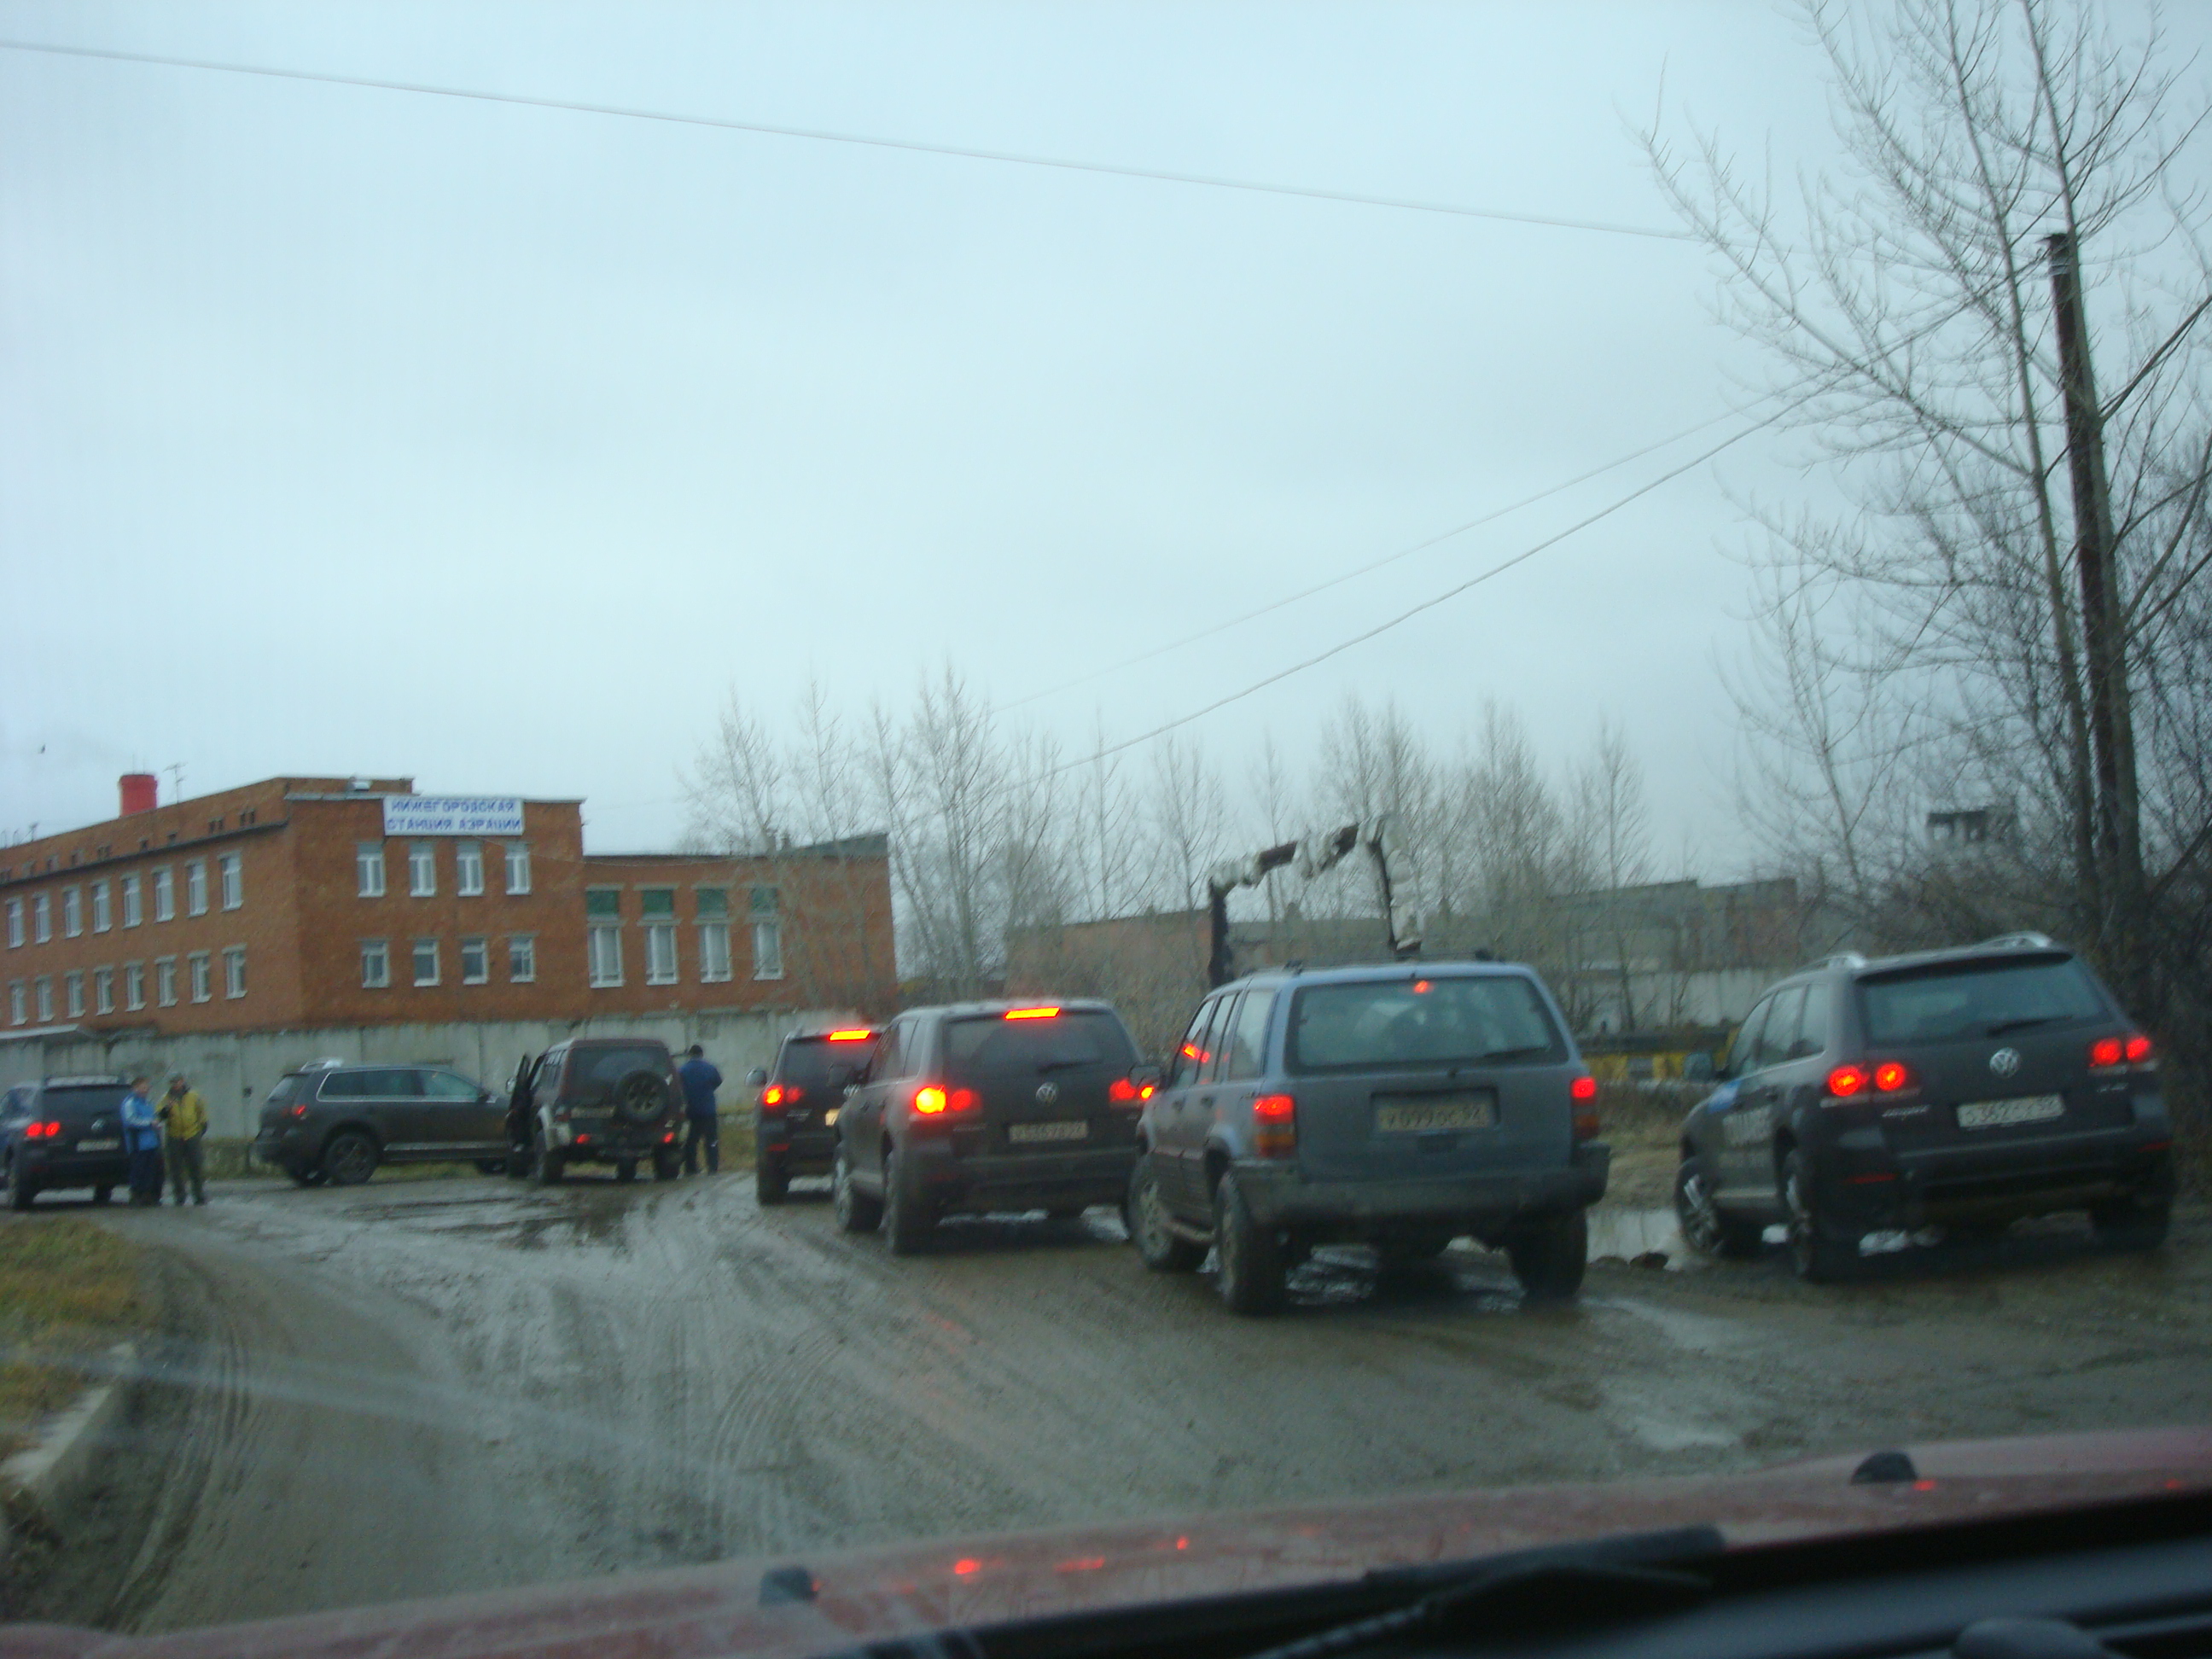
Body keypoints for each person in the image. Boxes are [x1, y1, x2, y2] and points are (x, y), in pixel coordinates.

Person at [159, 1074, 209, 1205]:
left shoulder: (194, 1096)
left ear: (182, 1081)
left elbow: (202, 1112)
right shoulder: (166, 1098)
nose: (175, 1084)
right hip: (174, 1136)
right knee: (175, 1168)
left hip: (192, 1135)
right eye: (172, 1082)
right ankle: (179, 1196)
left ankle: (199, 1195)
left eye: (177, 1081)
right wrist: (166, 1109)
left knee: (196, 1166)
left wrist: (202, 1128)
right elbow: (160, 1116)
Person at [678, 1045, 722, 1175]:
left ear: (690, 1055)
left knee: (692, 1140)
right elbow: (717, 1082)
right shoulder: (710, 1068)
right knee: (711, 1139)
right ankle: (712, 1167)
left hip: (692, 1109)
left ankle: (691, 1167)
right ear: (702, 1054)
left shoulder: (682, 1070)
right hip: (708, 1109)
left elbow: (678, 1086)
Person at [119, 1076, 163, 1207]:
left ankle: (148, 1196)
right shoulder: (130, 1103)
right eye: (143, 1087)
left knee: (151, 1172)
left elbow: (154, 1118)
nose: (146, 1089)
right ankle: (136, 1196)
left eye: (147, 1087)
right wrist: (150, 1123)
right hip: (138, 1144)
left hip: (151, 1143)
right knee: (138, 1171)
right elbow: (130, 1121)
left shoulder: (148, 1103)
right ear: (135, 1088)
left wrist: (157, 1124)